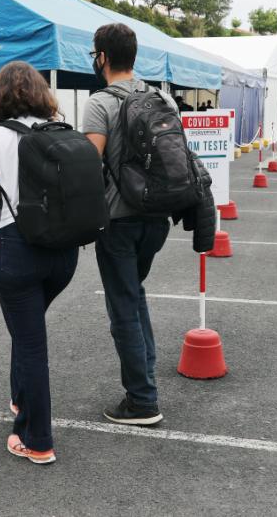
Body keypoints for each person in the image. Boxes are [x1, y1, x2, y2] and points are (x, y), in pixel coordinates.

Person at [0, 61, 80, 465]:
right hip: (64, 253)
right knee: (26, 328)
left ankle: (37, 438)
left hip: (17, 250)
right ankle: (19, 399)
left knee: (30, 341)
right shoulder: (62, 133)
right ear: (41, 95)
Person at [82, 23, 175, 426]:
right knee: (134, 297)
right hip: (157, 218)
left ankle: (142, 400)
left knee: (123, 306)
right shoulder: (162, 97)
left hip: (118, 220)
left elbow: (87, 164)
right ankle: (145, 383)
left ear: (102, 56)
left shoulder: (99, 102)